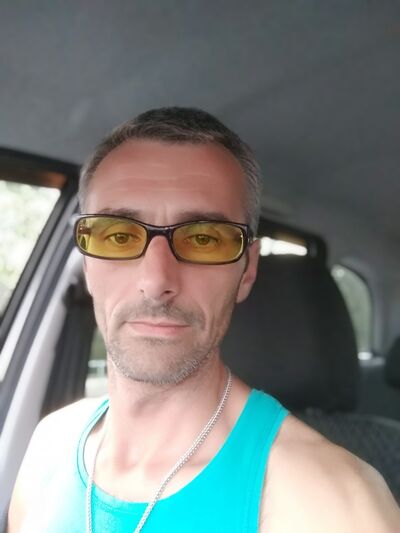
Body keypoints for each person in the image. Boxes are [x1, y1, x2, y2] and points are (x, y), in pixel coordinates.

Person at [8, 107, 400, 532]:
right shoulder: (49, 447)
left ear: (247, 270)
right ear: (87, 262)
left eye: (203, 239)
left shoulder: (333, 504)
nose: (156, 282)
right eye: (119, 236)